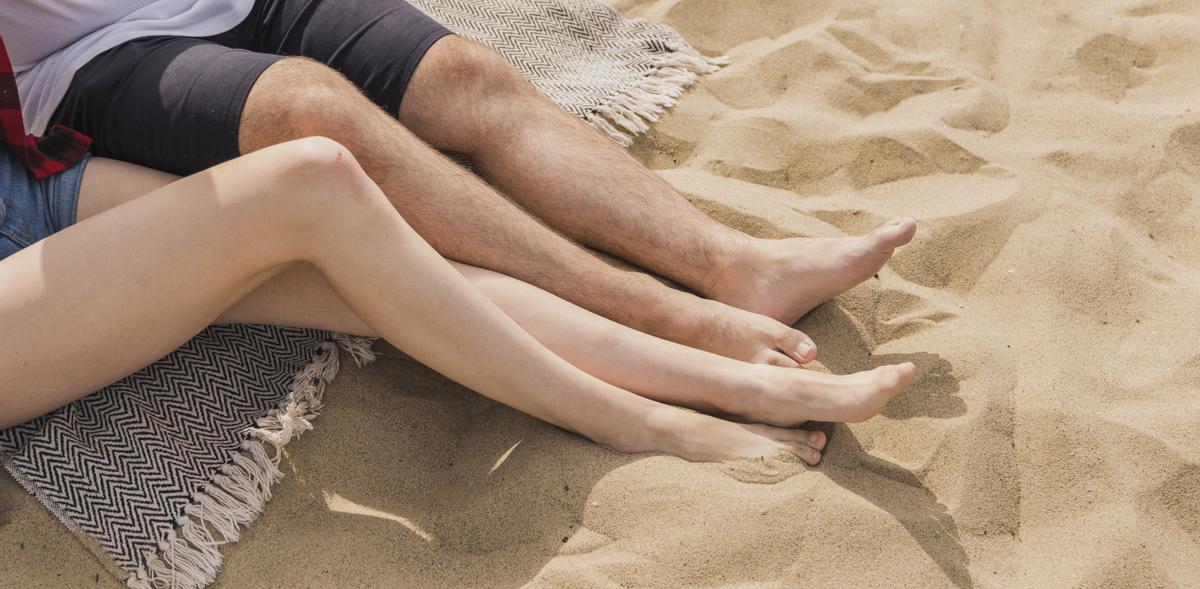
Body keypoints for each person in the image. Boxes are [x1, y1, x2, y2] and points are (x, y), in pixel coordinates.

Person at [3, 0, 918, 369]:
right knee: (310, 112)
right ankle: (655, 313)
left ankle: (732, 265)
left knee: (467, 79)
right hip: (84, 64)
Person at [0, 138, 915, 463]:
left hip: (23, 188)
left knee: (382, 268)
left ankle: (723, 379)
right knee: (310, 181)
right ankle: (633, 421)